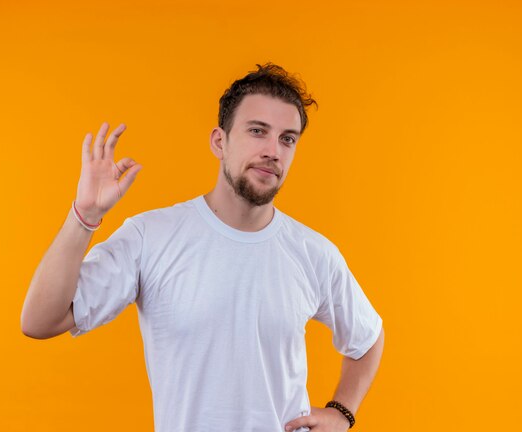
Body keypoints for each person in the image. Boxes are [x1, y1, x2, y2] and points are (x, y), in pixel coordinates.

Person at [21, 63, 384, 432]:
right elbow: (39, 320)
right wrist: (84, 216)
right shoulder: (152, 237)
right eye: (258, 131)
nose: (273, 151)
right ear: (219, 141)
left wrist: (343, 411)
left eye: (287, 139)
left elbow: (368, 338)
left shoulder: (313, 253)